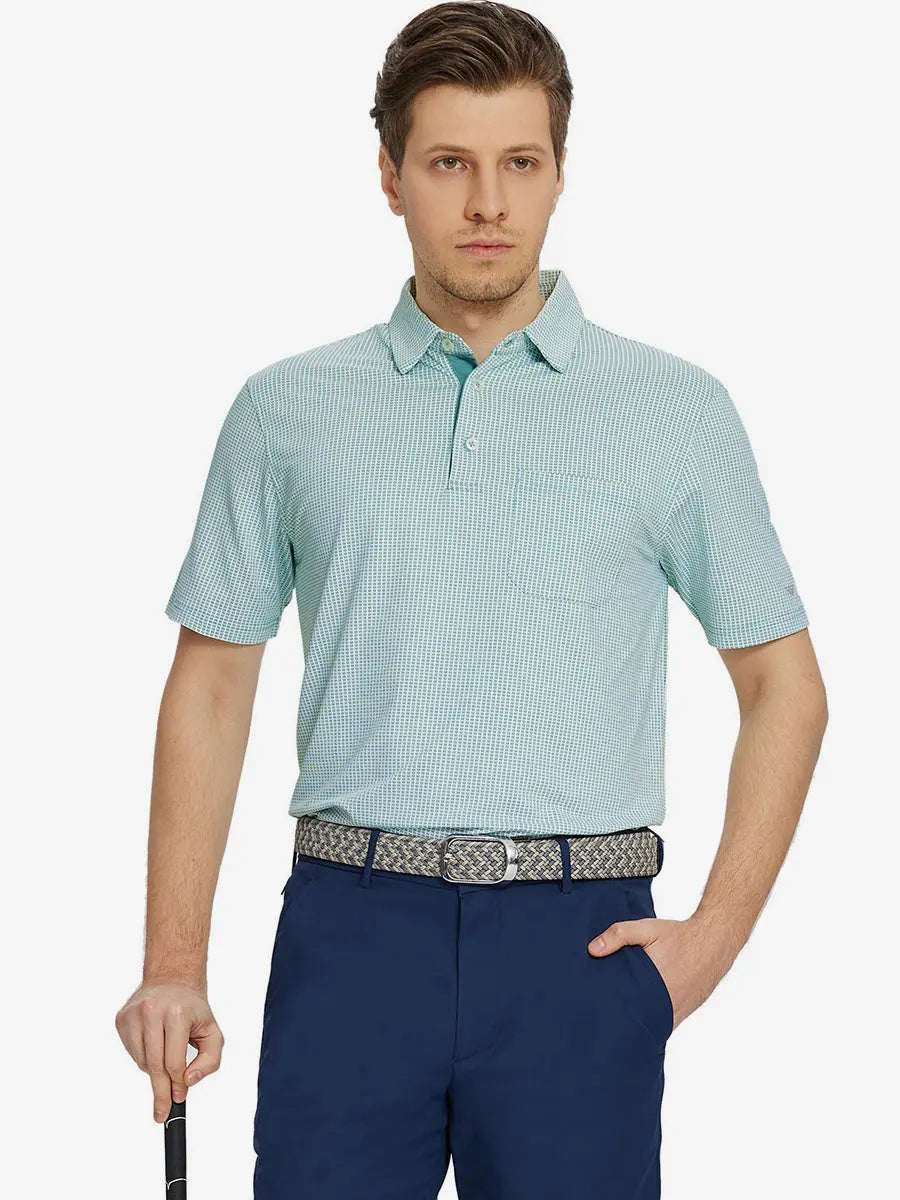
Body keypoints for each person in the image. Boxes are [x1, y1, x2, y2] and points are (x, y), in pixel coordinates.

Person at [114, 3, 828, 1196]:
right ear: (389, 176)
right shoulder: (287, 410)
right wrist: (173, 962)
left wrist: (712, 940)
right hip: (351, 933)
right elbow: (213, 686)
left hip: (580, 943)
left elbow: (785, 688)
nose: (488, 203)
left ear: (560, 173)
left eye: (520, 164)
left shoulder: (675, 412)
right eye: (450, 163)